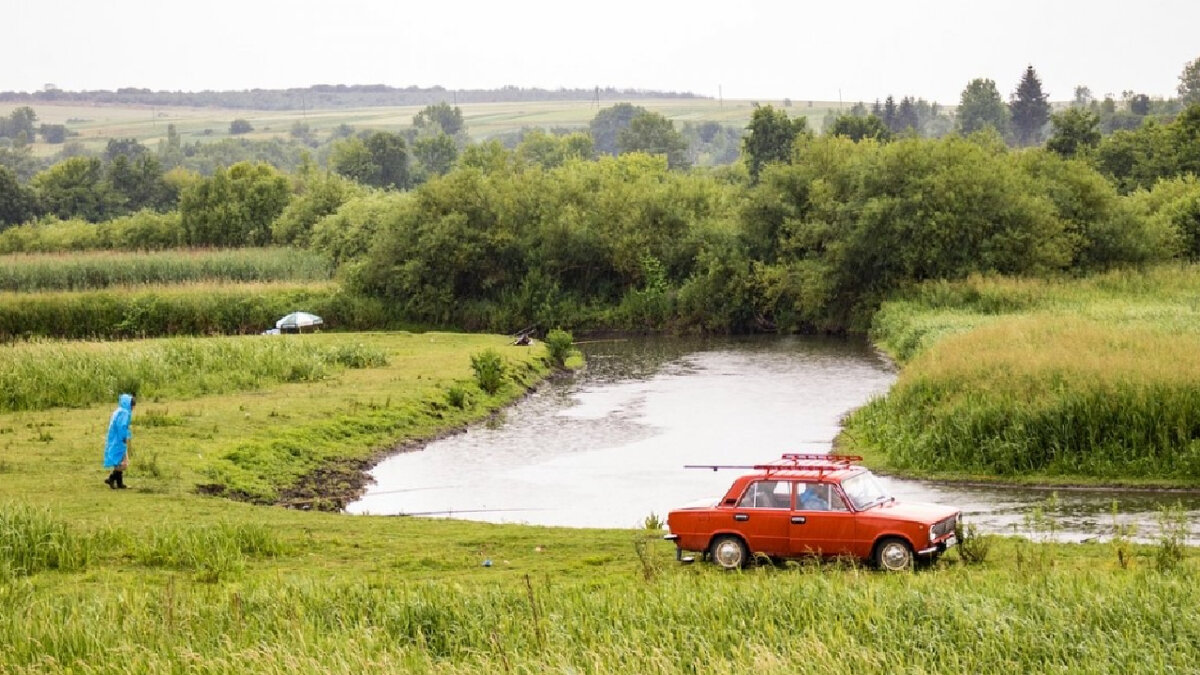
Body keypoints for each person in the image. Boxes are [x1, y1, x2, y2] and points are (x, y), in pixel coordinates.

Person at [103, 394, 135, 489]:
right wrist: (124, 438)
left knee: (119, 461)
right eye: (132, 405)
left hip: (114, 439)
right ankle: (111, 478)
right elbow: (122, 427)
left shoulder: (119, 410)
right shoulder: (124, 413)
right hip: (118, 440)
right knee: (124, 463)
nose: (133, 408)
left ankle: (119, 483)